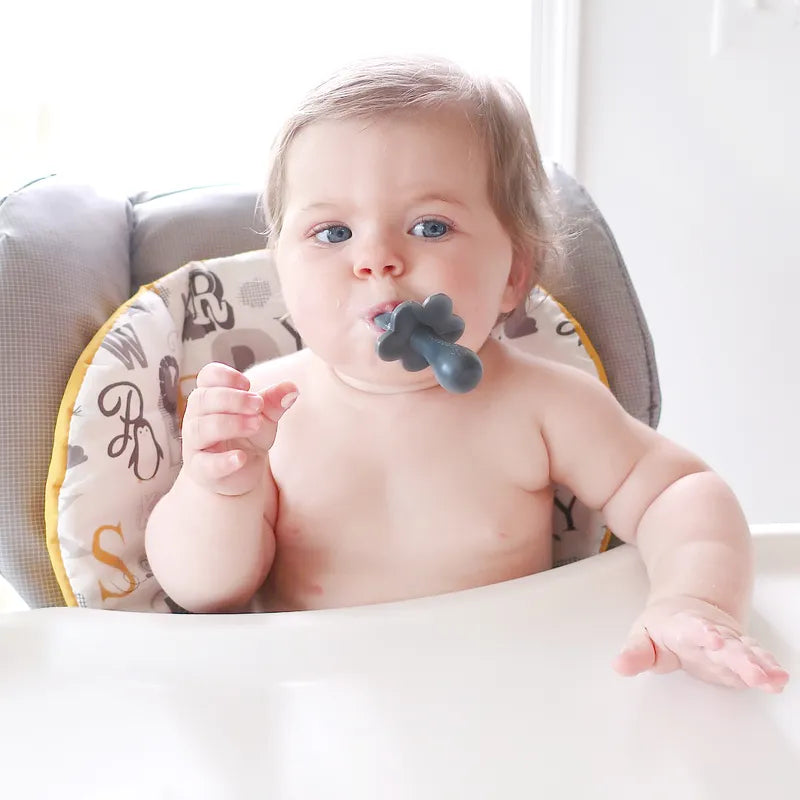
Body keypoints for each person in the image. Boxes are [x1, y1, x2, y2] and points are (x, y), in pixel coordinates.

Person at [145, 56, 789, 693]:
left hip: (507, 699)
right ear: (281, 272)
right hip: (323, 715)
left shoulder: (543, 405)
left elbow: (682, 491)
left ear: (513, 274)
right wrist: (219, 486)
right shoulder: (260, 415)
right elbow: (206, 595)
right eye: (332, 231)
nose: (376, 259)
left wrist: (694, 600)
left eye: (430, 226)